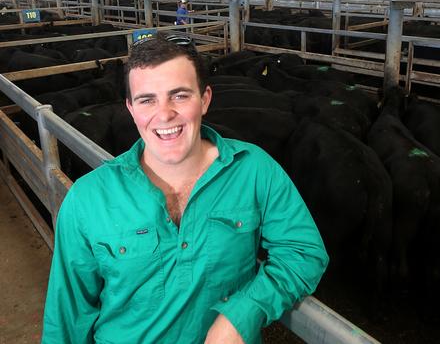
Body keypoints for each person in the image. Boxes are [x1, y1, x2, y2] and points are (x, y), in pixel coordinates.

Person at [41, 33, 329, 343]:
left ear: (204, 99)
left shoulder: (253, 169)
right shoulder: (88, 198)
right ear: (131, 108)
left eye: (179, 95)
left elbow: (303, 251)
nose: (164, 114)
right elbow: (67, 319)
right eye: (147, 99)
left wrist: (245, 311)